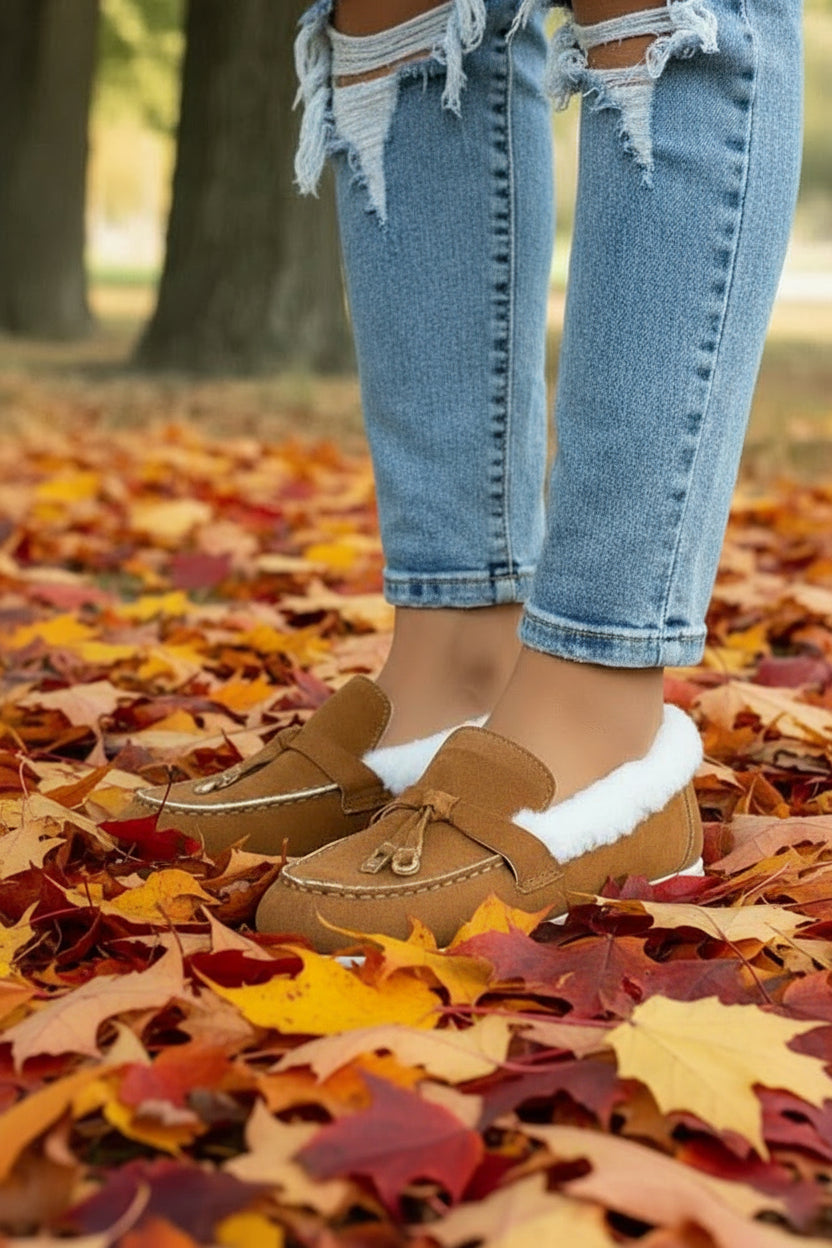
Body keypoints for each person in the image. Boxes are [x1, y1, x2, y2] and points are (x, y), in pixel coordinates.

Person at [132, 0, 802, 950]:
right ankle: (453, 657)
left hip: (594, 723)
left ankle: (597, 705)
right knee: (400, 15)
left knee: (661, 12)